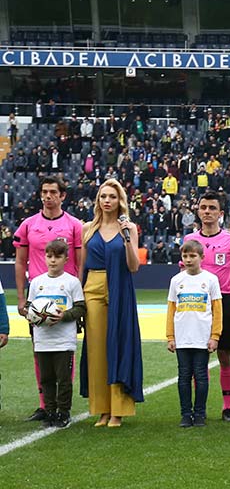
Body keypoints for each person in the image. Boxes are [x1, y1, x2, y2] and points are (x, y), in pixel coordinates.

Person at [14, 174, 83, 423]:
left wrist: (78, 295)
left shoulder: (74, 225)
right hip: (39, 297)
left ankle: (62, 407)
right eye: (44, 192)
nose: (48, 196)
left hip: (65, 299)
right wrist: (22, 297)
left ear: (62, 195)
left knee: (64, 353)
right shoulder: (28, 225)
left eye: (53, 192)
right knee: (40, 351)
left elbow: (80, 262)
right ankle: (45, 405)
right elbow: (20, 261)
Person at [80, 179, 144, 428]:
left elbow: (134, 266)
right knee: (96, 349)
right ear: (98, 200)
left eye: (112, 197)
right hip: (93, 288)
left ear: (120, 201)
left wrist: (127, 238)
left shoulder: (130, 228)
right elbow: (82, 267)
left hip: (121, 287)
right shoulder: (88, 228)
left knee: (119, 343)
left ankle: (118, 410)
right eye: (103, 196)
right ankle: (102, 409)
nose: (107, 201)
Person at [184, 191, 230, 422]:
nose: (207, 212)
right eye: (204, 207)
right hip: (196, 303)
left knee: (224, 355)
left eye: (212, 208)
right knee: (197, 355)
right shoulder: (190, 241)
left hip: (223, 301)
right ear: (198, 211)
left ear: (221, 214)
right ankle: (199, 407)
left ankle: (227, 407)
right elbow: (183, 273)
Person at [25, 239, 85, 428]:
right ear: (44, 257)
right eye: (49, 256)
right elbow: (29, 307)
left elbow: (81, 308)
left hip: (63, 341)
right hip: (42, 340)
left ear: (66, 259)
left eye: (58, 256)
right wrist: (32, 317)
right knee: (46, 379)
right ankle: (49, 411)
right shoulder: (37, 283)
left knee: (64, 379)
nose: (53, 260)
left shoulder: (71, 282)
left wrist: (64, 316)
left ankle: (63, 412)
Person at [166, 239, 223, 428]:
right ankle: (185, 413)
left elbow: (217, 311)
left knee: (201, 376)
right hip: (182, 338)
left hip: (202, 338)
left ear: (202, 257)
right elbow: (171, 310)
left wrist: (215, 336)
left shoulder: (210, 279)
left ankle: (199, 413)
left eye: (193, 256)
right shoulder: (176, 280)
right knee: (183, 376)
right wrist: (170, 337)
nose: (189, 260)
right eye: (185, 256)